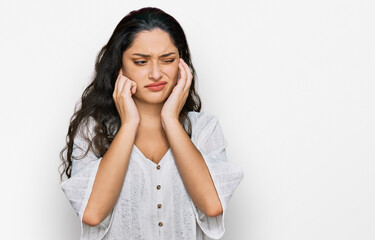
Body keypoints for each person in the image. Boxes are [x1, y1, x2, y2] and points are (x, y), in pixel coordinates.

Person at [59, 7, 244, 240]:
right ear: (120, 66)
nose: (156, 74)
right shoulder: (93, 130)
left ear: (182, 64)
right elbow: (92, 214)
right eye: (140, 62)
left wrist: (170, 120)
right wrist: (129, 125)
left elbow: (212, 206)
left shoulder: (205, 129)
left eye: (168, 60)